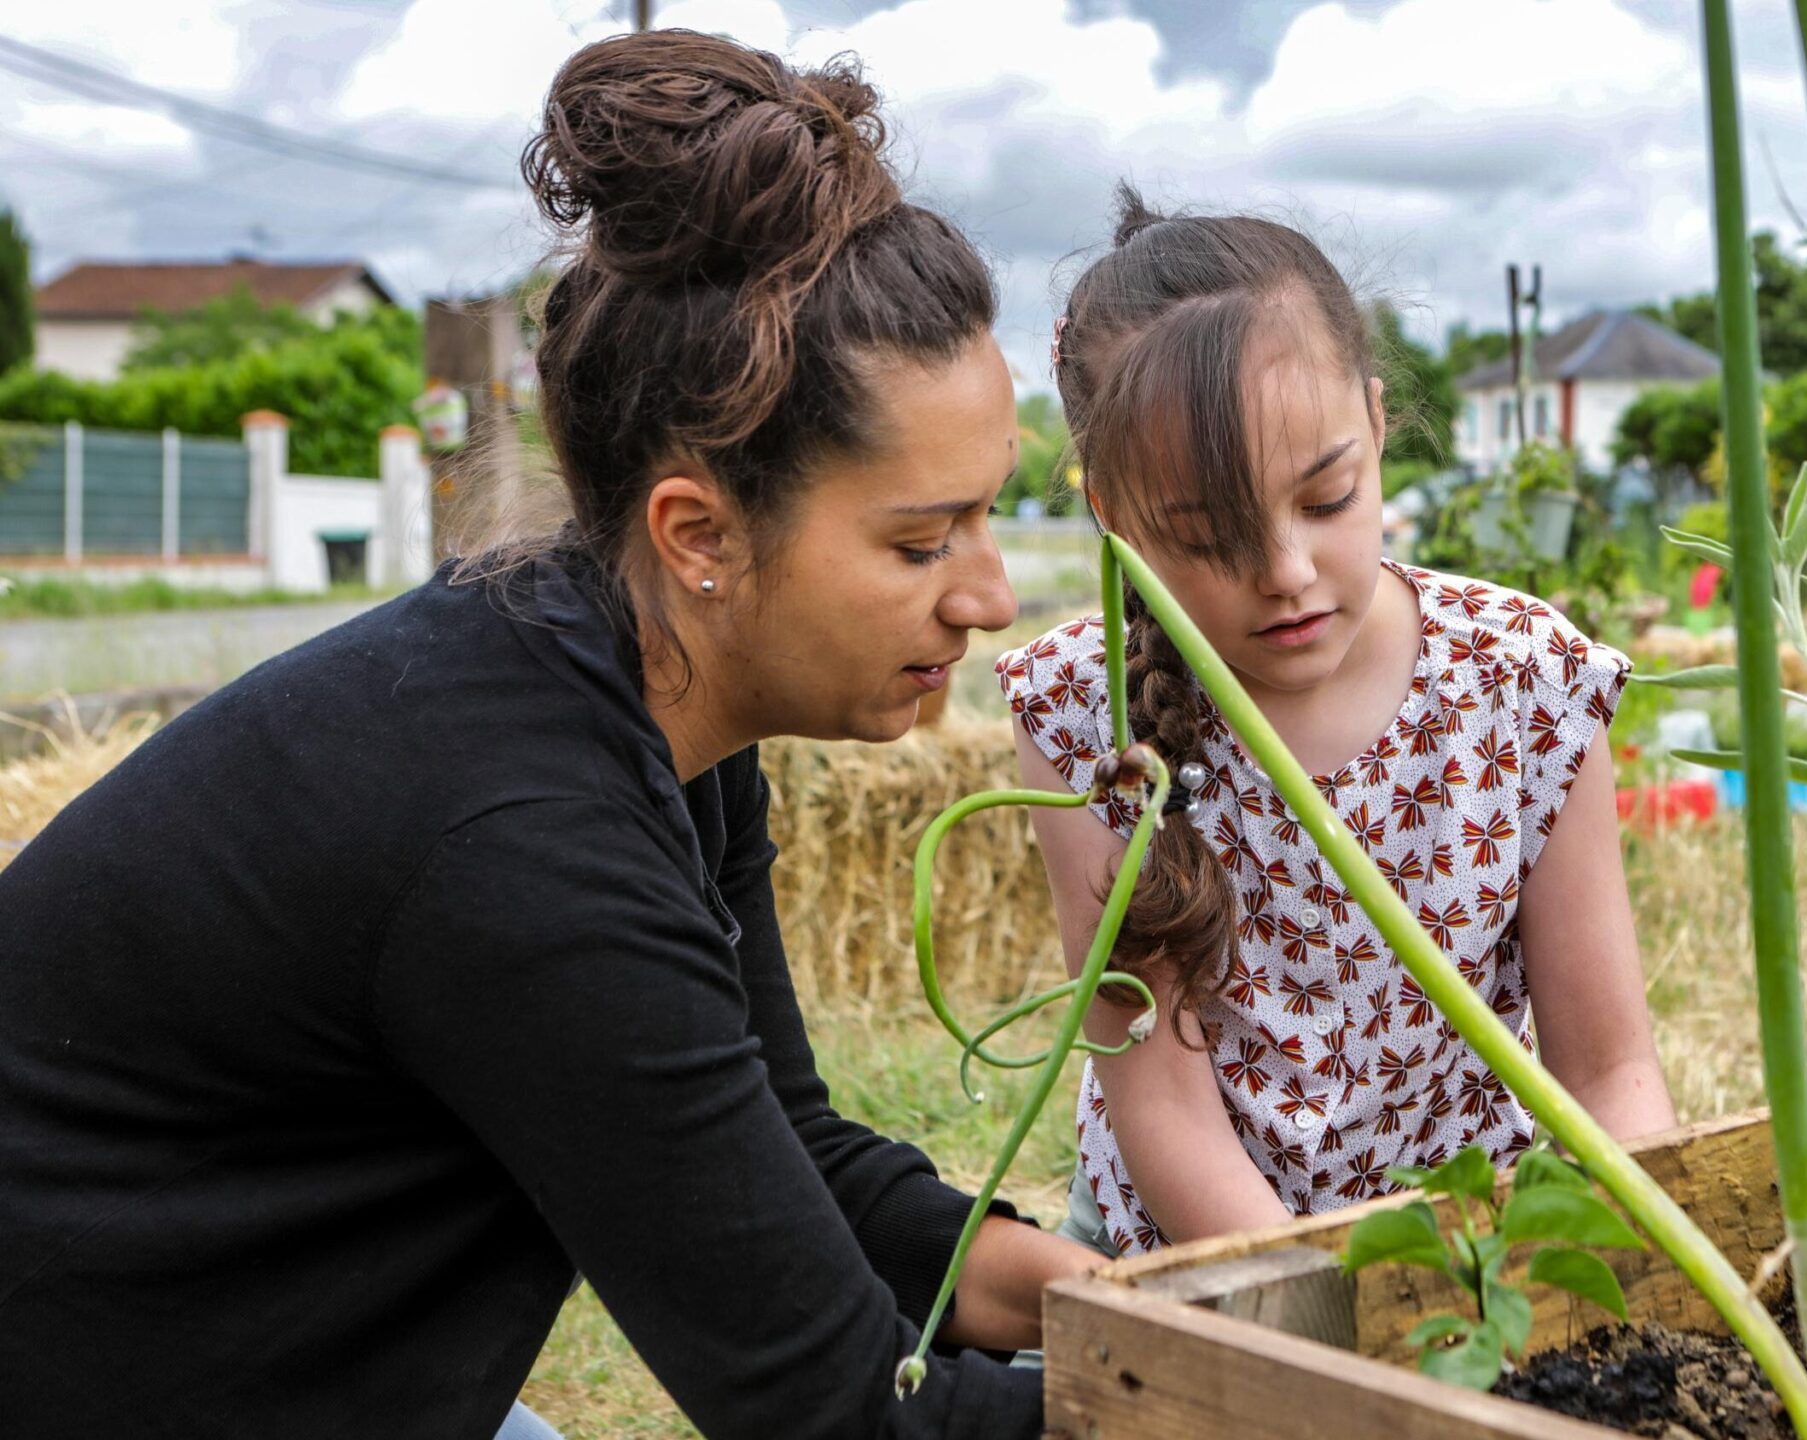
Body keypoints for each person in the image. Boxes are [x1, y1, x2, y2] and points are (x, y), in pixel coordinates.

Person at [0, 31, 1096, 1439]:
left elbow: (783, 1141)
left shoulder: (629, 692)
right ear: (699, 534)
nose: (992, 595)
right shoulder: (523, 845)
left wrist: (1088, 1299)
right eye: (920, 539)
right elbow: (835, 1416)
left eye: (989, 515)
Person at [996, 187, 1676, 1257]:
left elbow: (1608, 1072)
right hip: (1193, 1260)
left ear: (1373, 419)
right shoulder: (1090, 711)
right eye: (1205, 535)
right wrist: (1332, 1319)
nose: (1286, 574)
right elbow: (1165, 1112)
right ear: (1112, 518)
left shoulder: (1521, 681)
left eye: (1324, 501)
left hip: (1471, 1252)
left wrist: (1635, 1267)